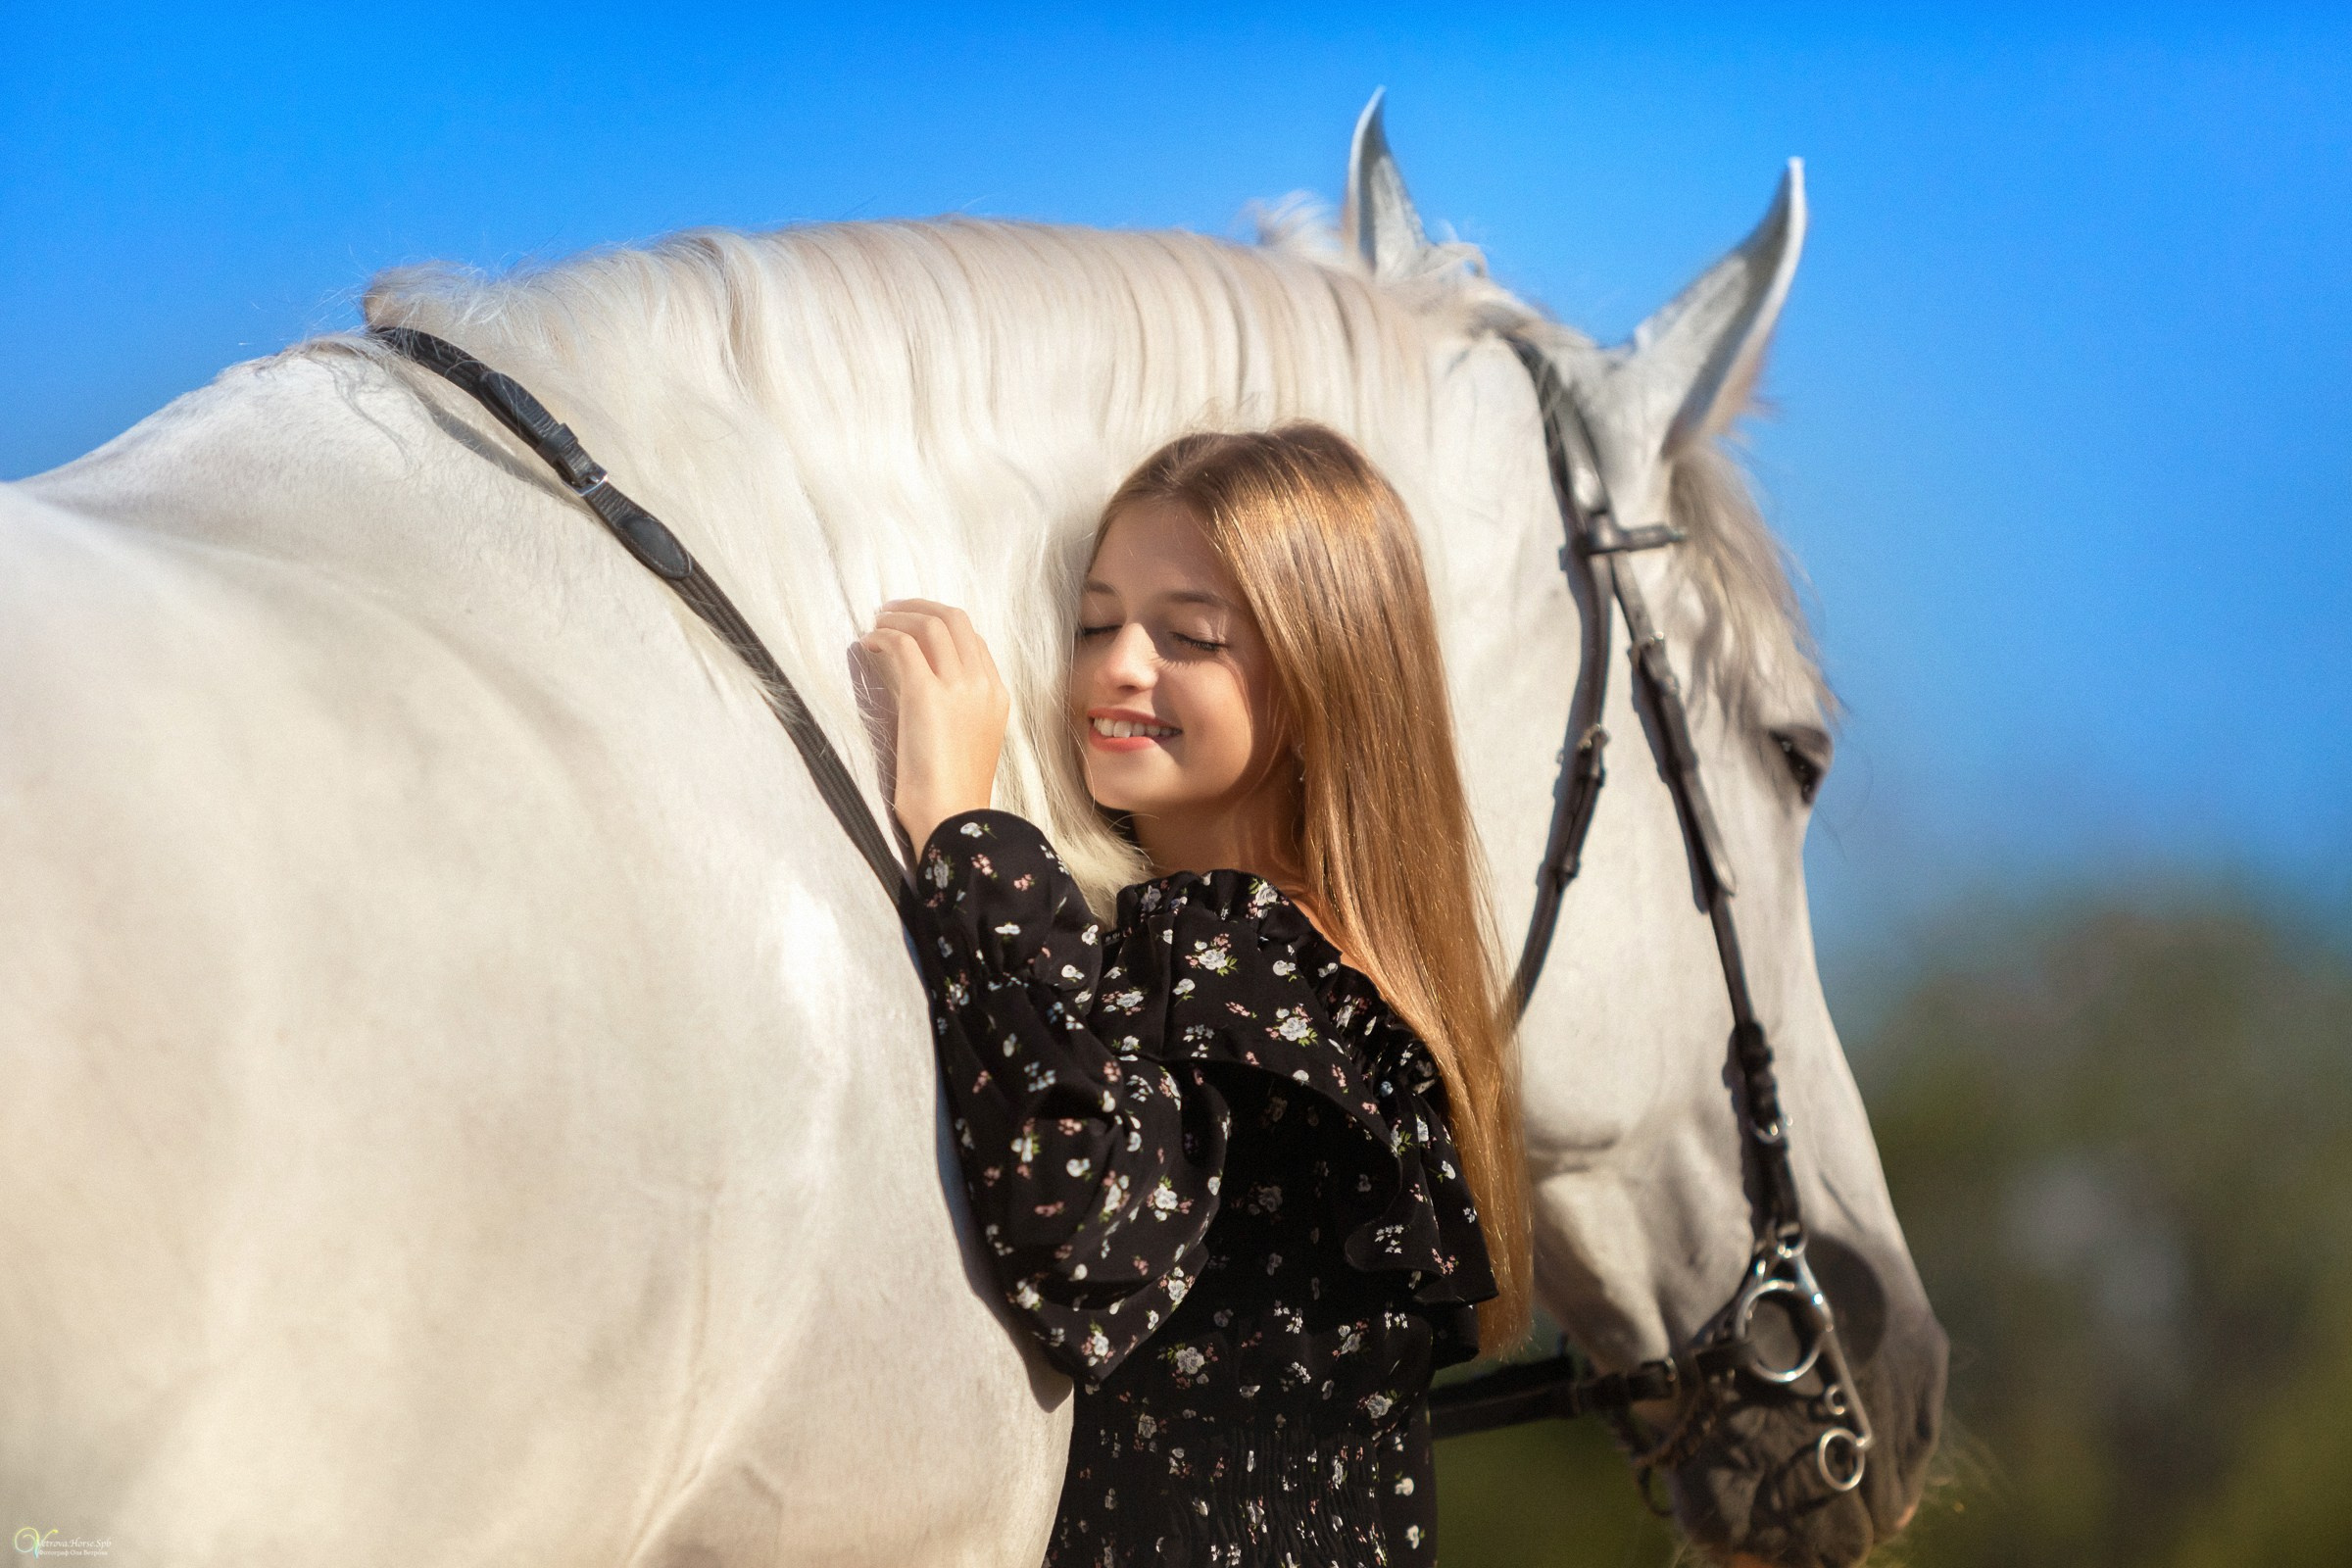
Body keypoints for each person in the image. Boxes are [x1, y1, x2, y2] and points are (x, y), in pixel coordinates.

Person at [859, 424, 1531, 1567]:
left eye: (1190, 637)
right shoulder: (1303, 960)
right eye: (1094, 624)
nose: (1119, 666)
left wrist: (958, 830)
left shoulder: (1257, 952)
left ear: (1330, 673)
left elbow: (1085, 1234)